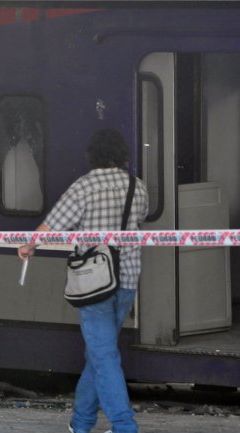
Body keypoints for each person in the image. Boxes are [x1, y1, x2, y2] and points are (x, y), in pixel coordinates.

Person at [17, 128, 148, 433]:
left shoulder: (84, 187)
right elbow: (140, 219)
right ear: (122, 155)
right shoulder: (137, 186)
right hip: (127, 278)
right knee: (98, 353)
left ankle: (124, 426)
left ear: (93, 155)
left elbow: (52, 225)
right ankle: (81, 422)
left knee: (102, 354)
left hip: (94, 282)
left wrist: (28, 246)